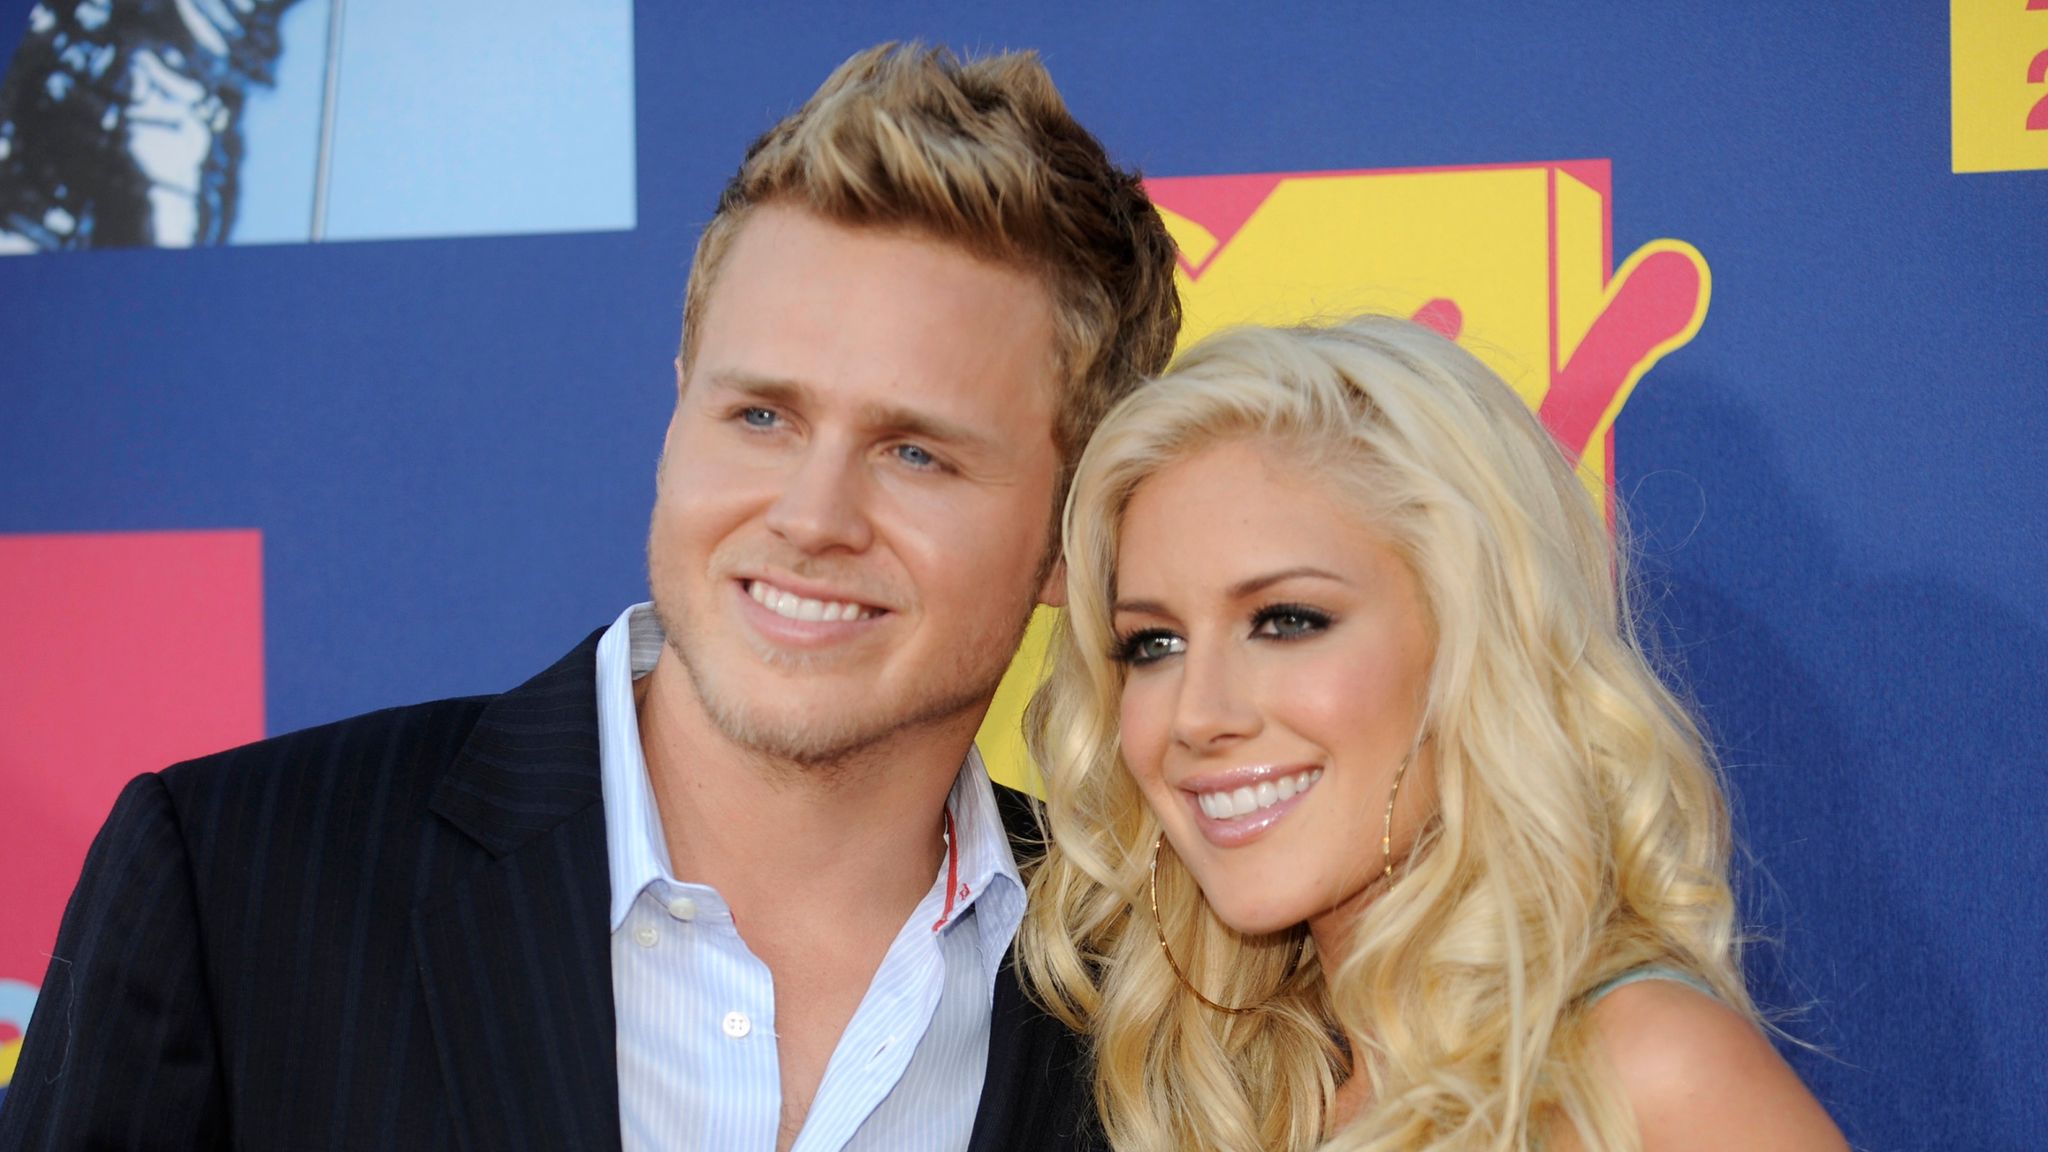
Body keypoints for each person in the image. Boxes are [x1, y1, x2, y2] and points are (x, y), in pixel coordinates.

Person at [0, 44, 1179, 1152]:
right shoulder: (235, 883)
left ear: (1074, 536)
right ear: (677, 410)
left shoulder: (1169, 979)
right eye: (759, 415)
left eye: (916, 452)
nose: (811, 516)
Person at [1016, 317, 1847, 1151]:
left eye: (1287, 621)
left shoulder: (1643, 1073)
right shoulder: (1266, 1100)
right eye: (1153, 645)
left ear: (1473, 644)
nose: (1197, 715)